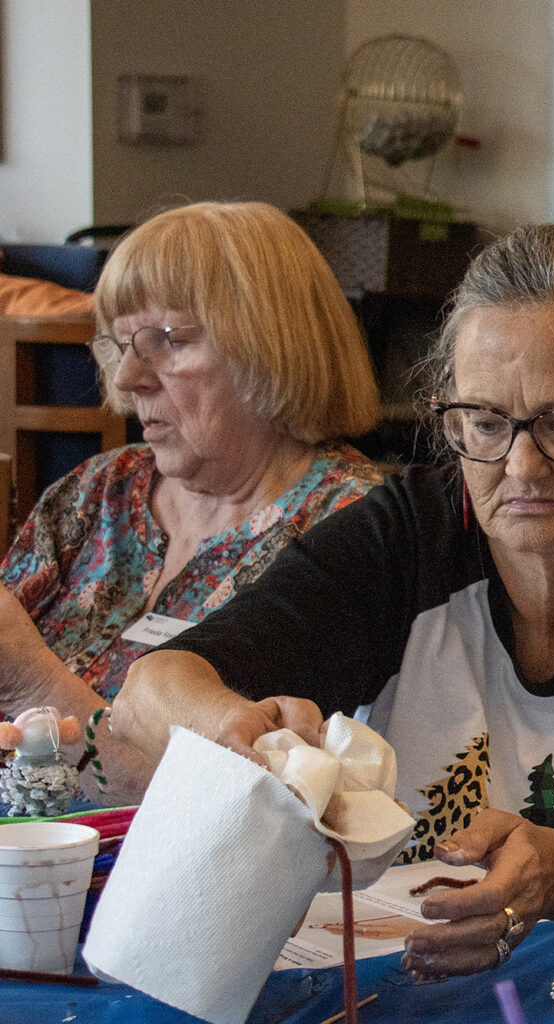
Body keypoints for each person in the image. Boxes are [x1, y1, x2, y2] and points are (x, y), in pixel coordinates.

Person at [112, 225, 554, 979]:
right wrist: (235, 730)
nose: (520, 466)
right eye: (483, 423)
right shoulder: (410, 534)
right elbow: (153, 688)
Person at [1, 201, 383, 801]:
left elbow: (246, 799)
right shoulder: (101, 489)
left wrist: (31, 680)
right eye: (120, 343)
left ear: (271, 345)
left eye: (165, 340)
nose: (127, 377)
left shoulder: (354, 528)